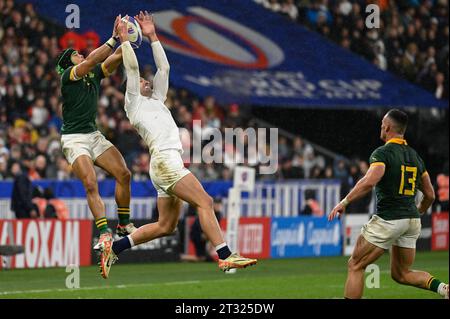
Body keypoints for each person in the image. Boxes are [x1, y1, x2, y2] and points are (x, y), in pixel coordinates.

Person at [96, 12, 257, 278]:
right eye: (142, 82)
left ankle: (115, 247)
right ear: (132, 88)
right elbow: (133, 70)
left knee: (166, 226)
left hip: (163, 164)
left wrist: (153, 36)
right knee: (204, 201)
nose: (147, 81)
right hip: (166, 161)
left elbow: (165, 69)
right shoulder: (134, 102)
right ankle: (226, 256)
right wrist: (124, 41)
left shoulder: (156, 99)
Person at [328, 109, 448, 299]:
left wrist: (344, 202)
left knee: (355, 265)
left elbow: (369, 181)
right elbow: (430, 195)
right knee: (401, 274)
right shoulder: (415, 157)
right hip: (411, 220)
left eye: (382, 124)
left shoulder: (383, 153)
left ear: (388, 127)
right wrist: (416, 212)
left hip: (389, 219)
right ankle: (444, 289)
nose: (381, 126)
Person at [55, 15, 136, 253]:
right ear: (67, 63)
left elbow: (112, 60)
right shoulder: (68, 76)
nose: (79, 54)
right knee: (90, 183)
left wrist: (130, 42)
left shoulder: (92, 74)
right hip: (74, 139)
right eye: (74, 54)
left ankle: (122, 224)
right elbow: (92, 60)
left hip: (93, 134)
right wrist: (113, 38)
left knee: (124, 173)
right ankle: (103, 232)